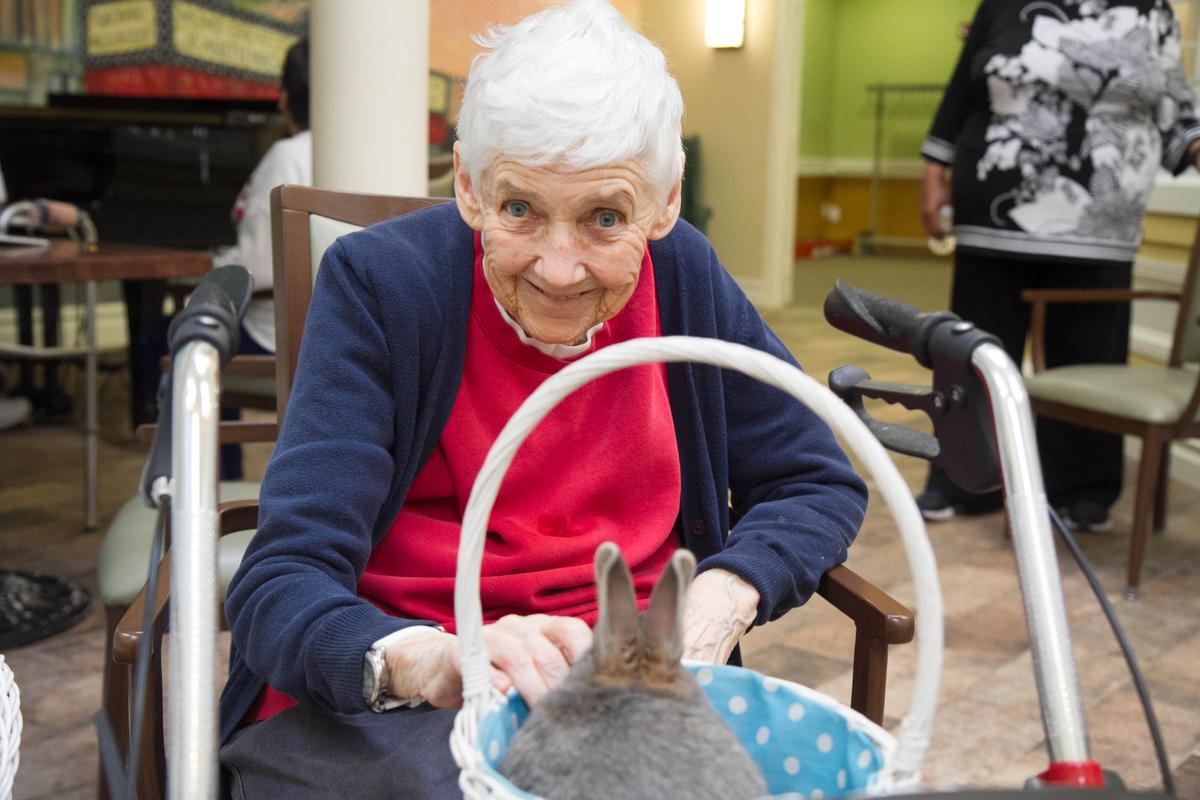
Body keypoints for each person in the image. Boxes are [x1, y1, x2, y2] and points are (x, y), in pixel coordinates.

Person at [218, 3, 868, 797]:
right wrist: (432, 660)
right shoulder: (381, 285)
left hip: (625, 696)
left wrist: (720, 598)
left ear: (666, 201)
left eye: (604, 218)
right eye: (520, 209)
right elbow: (282, 579)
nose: (559, 270)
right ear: (467, 185)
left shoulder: (684, 277)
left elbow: (814, 478)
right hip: (408, 697)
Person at [918, 0, 1200, 529]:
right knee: (975, 356)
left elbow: (1177, 112)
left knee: (1090, 360)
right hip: (995, 210)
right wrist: (934, 169)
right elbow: (962, 91)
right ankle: (964, 481)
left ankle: (1082, 490)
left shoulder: (1153, 12)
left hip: (1101, 224)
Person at [133, 37, 310, 478]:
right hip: (323, 330)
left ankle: (212, 477)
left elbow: (258, 267)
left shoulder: (287, 155)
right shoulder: (363, 152)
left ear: (285, 98)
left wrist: (214, 266)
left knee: (168, 339)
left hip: (280, 337)